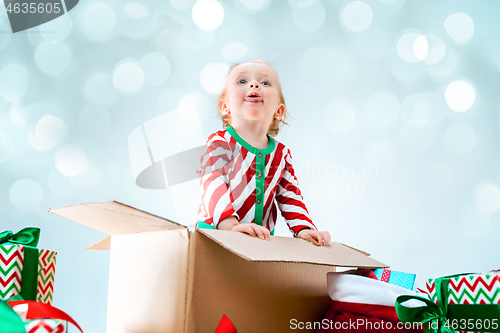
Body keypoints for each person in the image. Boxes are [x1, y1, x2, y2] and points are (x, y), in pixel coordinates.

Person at [196, 59, 331, 246]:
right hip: (216, 236)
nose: (254, 84)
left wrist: (304, 228)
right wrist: (229, 225)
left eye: (265, 83)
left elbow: (289, 195)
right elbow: (212, 183)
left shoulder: (281, 154)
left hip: (260, 241)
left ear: (278, 110)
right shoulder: (219, 143)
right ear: (224, 106)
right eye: (242, 81)